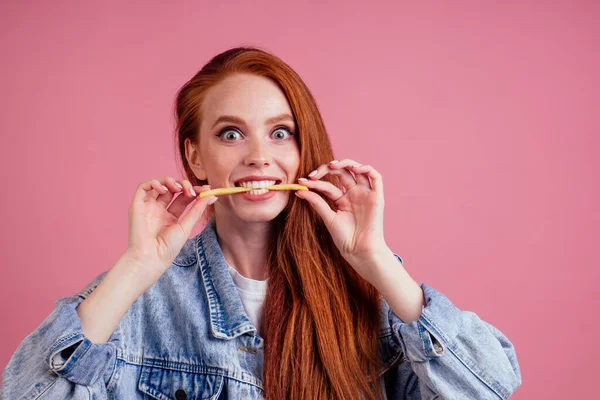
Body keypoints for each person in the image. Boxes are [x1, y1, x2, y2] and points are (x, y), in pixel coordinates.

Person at [1, 47, 522, 400]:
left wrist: (375, 260)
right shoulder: (141, 300)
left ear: (302, 148)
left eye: (280, 133)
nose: (258, 157)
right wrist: (137, 266)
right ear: (196, 157)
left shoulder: (370, 288)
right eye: (230, 134)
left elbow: (490, 388)